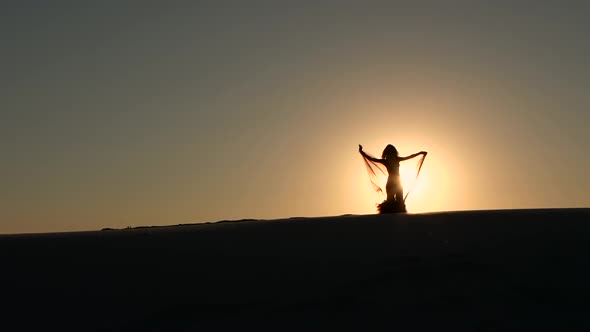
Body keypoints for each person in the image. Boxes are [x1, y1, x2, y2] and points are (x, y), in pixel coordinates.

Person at [359, 144, 427, 213]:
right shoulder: (389, 160)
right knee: (393, 201)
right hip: (394, 182)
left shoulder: (394, 159)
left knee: (397, 200)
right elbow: (372, 159)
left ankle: (396, 215)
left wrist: (420, 153)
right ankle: (392, 216)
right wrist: (361, 152)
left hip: (396, 182)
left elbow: (410, 156)